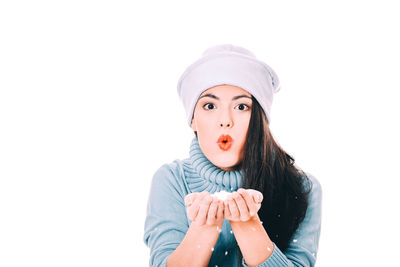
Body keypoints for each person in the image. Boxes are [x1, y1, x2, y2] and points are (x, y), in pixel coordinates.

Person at [143, 44, 322, 267]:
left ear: (260, 118)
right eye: (209, 105)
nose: (225, 120)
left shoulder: (302, 188)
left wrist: (248, 227)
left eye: (241, 107)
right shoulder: (171, 180)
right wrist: (203, 229)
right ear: (192, 120)